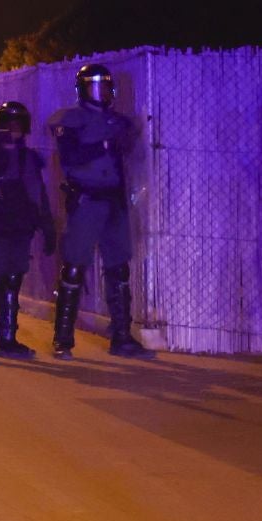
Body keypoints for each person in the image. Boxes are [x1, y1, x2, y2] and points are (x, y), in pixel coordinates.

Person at [47, 63, 151, 359]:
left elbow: (130, 152)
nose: (101, 92)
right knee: (75, 266)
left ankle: (121, 335)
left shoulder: (118, 122)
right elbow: (70, 156)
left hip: (114, 200)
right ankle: (63, 338)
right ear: (82, 89)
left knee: (118, 268)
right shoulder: (71, 120)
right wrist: (104, 144)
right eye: (95, 86)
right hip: (86, 199)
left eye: (105, 86)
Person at [0, 101, 54, 361]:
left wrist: (47, 225)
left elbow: (38, 192)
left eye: (19, 124)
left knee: (13, 280)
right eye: (9, 123)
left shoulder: (29, 158)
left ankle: (7, 339)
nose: (14, 130)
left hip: (21, 224)